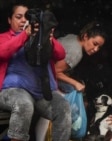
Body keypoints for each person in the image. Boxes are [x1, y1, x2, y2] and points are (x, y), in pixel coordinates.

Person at [0, 2, 71, 141]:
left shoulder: (40, 38)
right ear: (10, 20)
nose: (23, 21)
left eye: (26, 18)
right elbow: (2, 52)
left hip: (40, 93)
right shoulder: (4, 37)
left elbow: (60, 55)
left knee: (63, 108)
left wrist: (49, 38)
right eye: (18, 17)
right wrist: (25, 34)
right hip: (11, 91)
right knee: (24, 104)